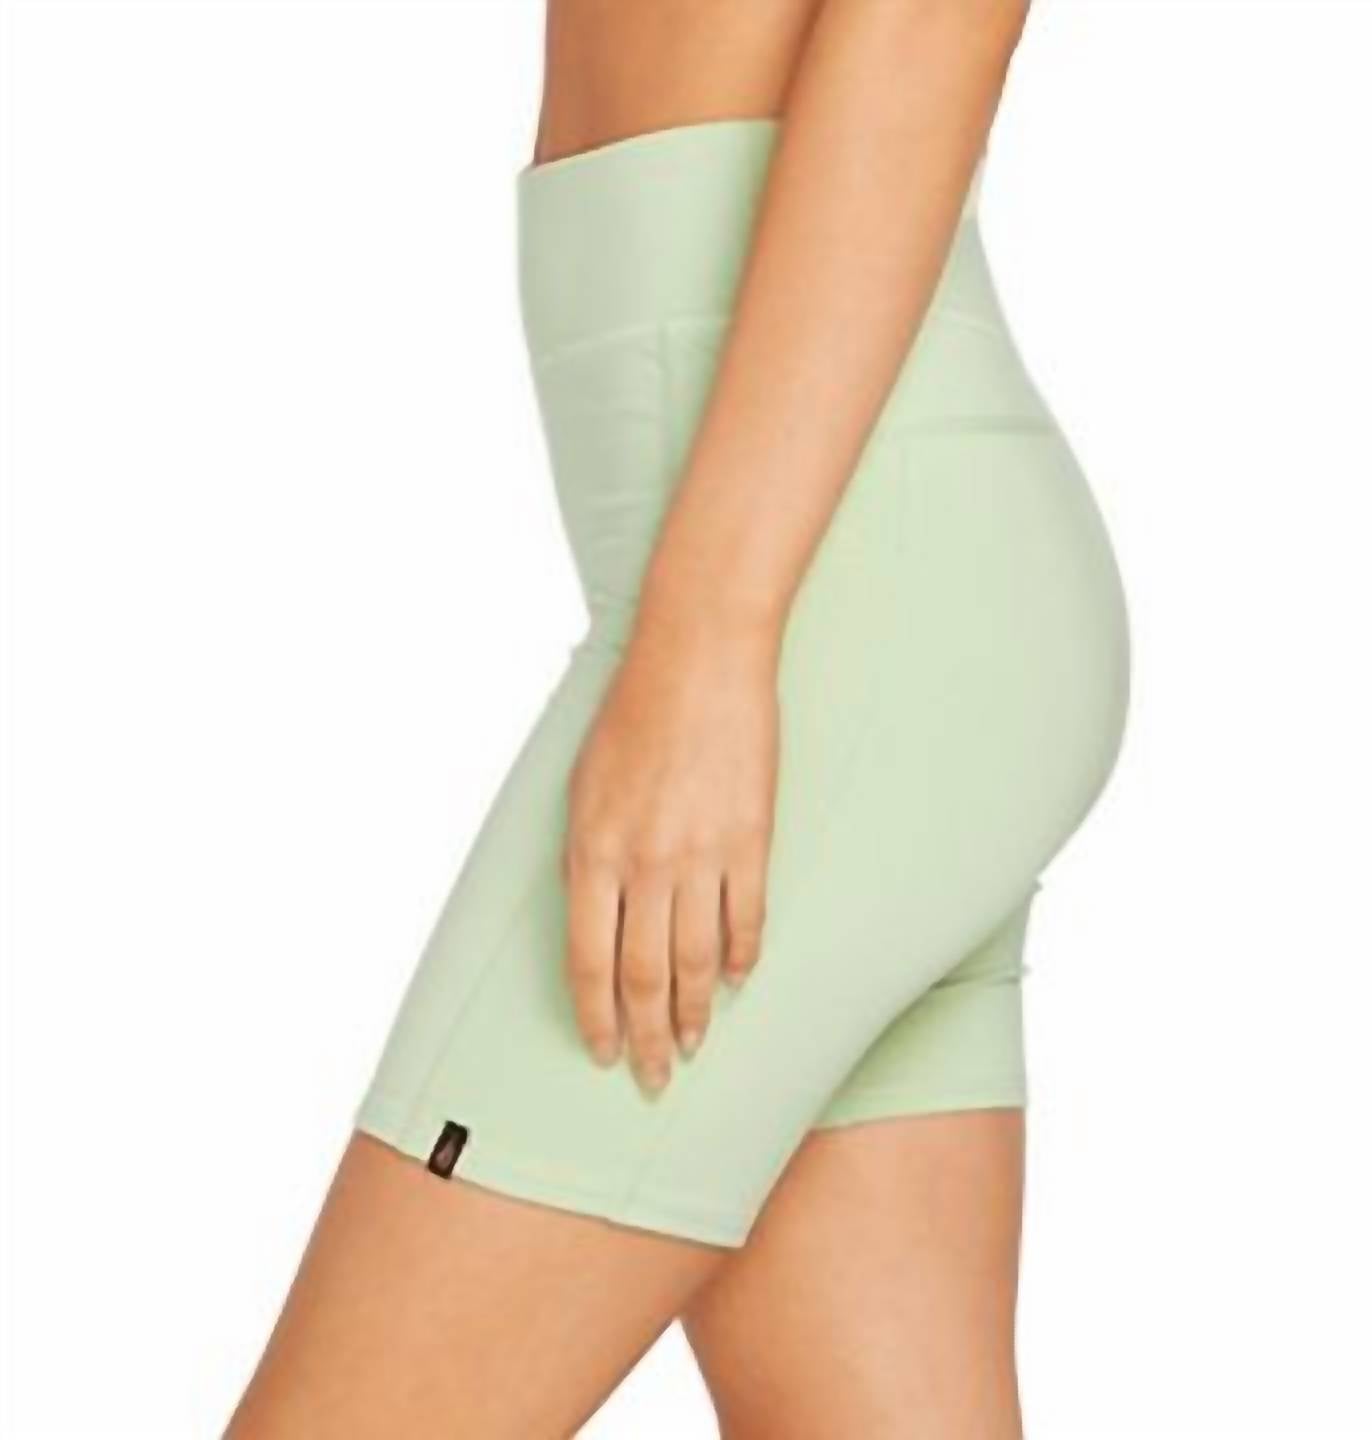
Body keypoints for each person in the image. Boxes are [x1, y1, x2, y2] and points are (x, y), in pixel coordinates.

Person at [228, 0, 1128, 1434]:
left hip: (821, 602)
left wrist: (711, 645)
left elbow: (928, 29)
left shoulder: (748, 633)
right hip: (848, 593)